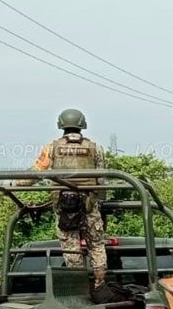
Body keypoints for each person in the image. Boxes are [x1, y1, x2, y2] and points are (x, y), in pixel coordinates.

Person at [17, 108, 109, 297]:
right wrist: (99, 202)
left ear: (61, 125)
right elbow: (102, 180)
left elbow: (36, 173)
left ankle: (79, 287)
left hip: (65, 207)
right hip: (89, 205)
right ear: (82, 125)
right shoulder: (95, 148)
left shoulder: (52, 147)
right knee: (97, 245)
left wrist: (14, 183)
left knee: (71, 248)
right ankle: (100, 286)